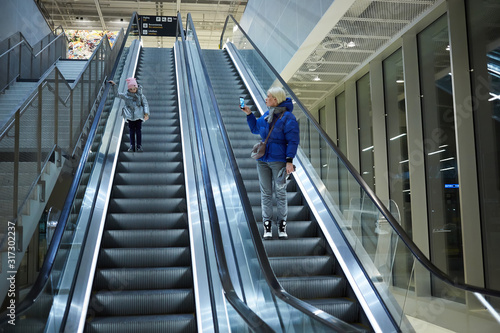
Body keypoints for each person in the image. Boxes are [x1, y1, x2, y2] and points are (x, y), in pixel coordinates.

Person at [241, 86, 300, 240]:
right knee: (266, 193)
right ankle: (267, 225)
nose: (266, 99)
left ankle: (282, 225)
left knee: (280, 193)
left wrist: (289, 161)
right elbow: (255, 128)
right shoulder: (267, 114)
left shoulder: (288, 118)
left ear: (275, 99)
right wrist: (249, 114)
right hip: (263, 160)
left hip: (279, 161)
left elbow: (293, 141)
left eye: (268, 97)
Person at [108, 78, 149, 152]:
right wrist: (114, 85)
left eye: (134, 88)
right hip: (130, 116)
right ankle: (132, 146)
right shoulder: (126, 95)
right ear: (129, 89)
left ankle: (139, 146)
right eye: (131, 89)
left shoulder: (140, 96)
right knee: (131, 131)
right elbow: (117, 94)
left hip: (139, 116)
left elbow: (145, 104)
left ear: (136, 88)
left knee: (138, 131)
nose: (133, 90)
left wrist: (146, 113)